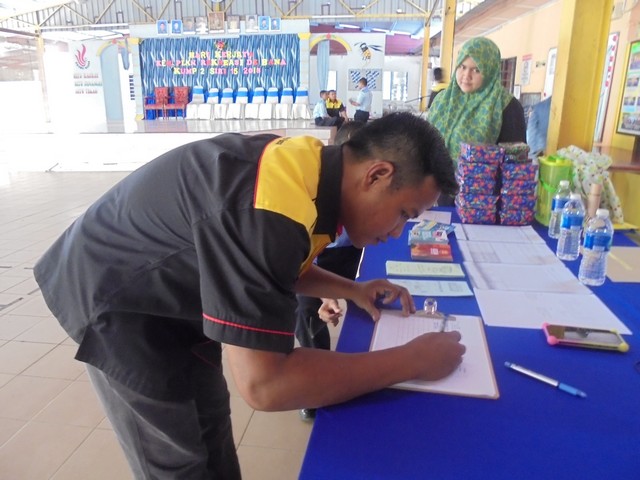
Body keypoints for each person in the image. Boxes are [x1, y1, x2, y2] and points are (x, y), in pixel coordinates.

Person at [33, 112, 464, 479]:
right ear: (377, 174)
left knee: (212, 427)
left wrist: (352, 289)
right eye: (403, 214)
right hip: (118, 297)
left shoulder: (312, 169)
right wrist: (411, 361)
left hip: (182, 295)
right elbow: (266, 385)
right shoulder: (271, 206)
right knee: (177, 459)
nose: (396, 234)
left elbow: (275, 267)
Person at [295, 121, 365, 421]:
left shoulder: (365, 195)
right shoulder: (308, 193)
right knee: (307, 313)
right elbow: (299, 262)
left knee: (363, 302)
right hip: (315, 258)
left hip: (350, 253)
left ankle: (356, 371)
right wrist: (324, 295)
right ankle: (318, 384)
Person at [429, 37, 526, 205]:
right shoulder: (442, 100)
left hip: (483, 202)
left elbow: (515, 163)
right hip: (441, 195)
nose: (466, 76)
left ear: (490, 70)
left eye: (476, 70)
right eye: (462, 67)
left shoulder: (506, 106)